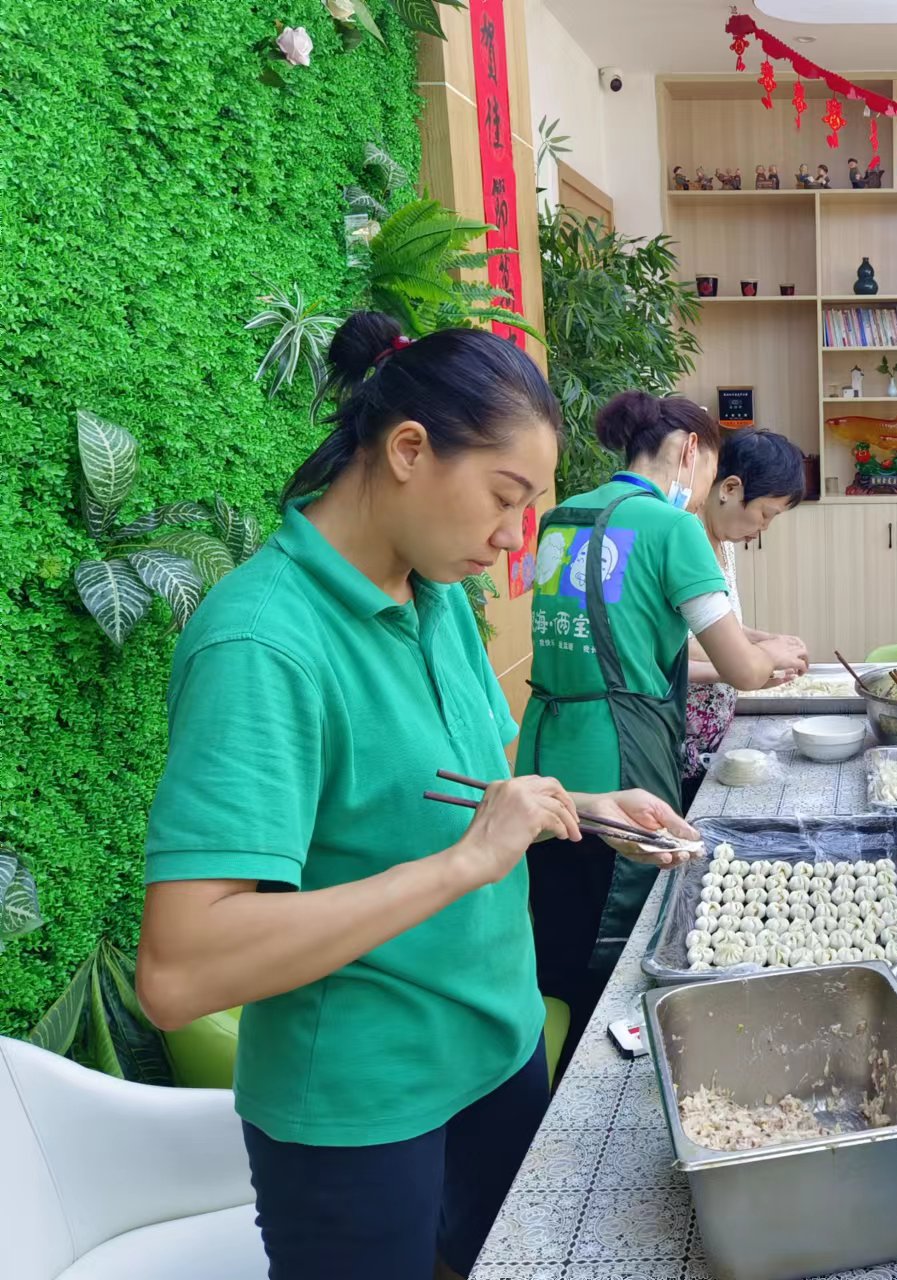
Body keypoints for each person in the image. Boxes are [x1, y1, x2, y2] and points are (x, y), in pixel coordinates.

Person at [134, 313, 698, 1280]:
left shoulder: (432, 593)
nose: (514, 537)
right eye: (503, 497)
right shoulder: (263, 642)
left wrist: (588, 806)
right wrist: (468, 862)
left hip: (500, 1045)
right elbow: (181, 968)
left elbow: (459, 792)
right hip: (364, 1105)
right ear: (407, 450)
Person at [521, 393, 807, 1031]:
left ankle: (555, 1066)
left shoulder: (563, 516)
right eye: (710, 471)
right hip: (621, 755)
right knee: (618, 942)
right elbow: (739, 669)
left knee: (558, 932)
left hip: (544, 751)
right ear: (689, 452)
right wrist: (773, 656)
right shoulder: (672, 527)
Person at [681, 428, 811, 806]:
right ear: (730, 488)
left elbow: (720, 630)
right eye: (765, 515)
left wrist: (762, 642)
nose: (763, 529)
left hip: (716, 725)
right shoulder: (684, 539)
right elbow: (674, 646)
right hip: (681, 732)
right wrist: (758, 657)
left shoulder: (723, 544)